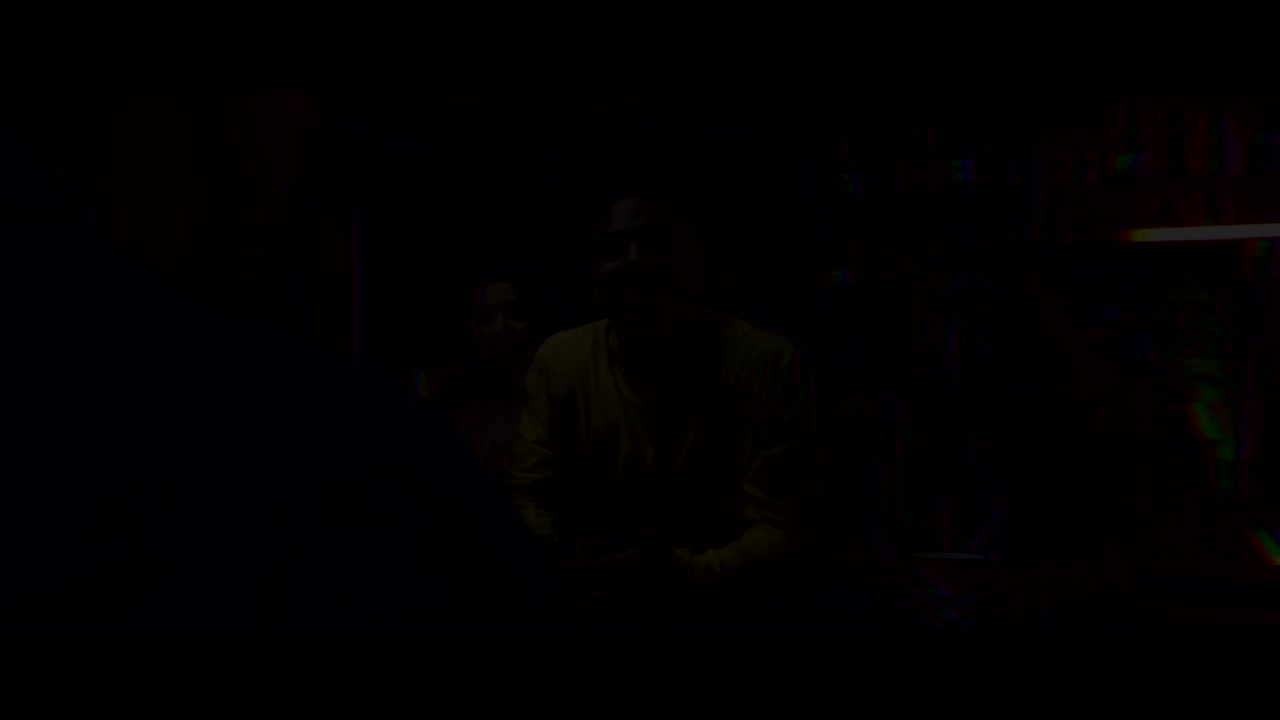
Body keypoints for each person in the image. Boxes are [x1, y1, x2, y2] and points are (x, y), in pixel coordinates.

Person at [0, 121, 561, 633]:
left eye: (512, 314)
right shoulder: (407, 427)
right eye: (487, 316)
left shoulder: (540, 401)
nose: (499, 329)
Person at [502, 191, 840, 634]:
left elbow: (783, 529)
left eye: (653, 243)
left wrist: (682, 573)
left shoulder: (763, 364)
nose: (635, 262)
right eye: (614, 249)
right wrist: (559, 560)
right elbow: (528, 492)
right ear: (593, 275)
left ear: (692, 262)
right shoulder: (562, 361)